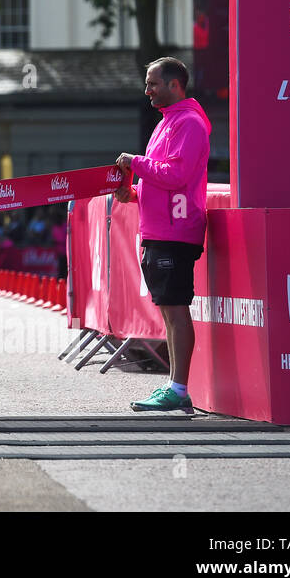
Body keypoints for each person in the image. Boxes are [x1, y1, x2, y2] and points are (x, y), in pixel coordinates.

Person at [114, 57, 211, 415]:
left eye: (153, 83)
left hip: (175, 230)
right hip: (161, 228)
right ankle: (176, 387)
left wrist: (135, 163)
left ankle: (179, 389)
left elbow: (176, 175)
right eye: (147, 83)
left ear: (174, 85)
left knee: (175, 311)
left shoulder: (189, 123)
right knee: (170, 312)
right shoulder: (168, 122)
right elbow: (161, 181)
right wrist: (134, 194)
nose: (147, 90)